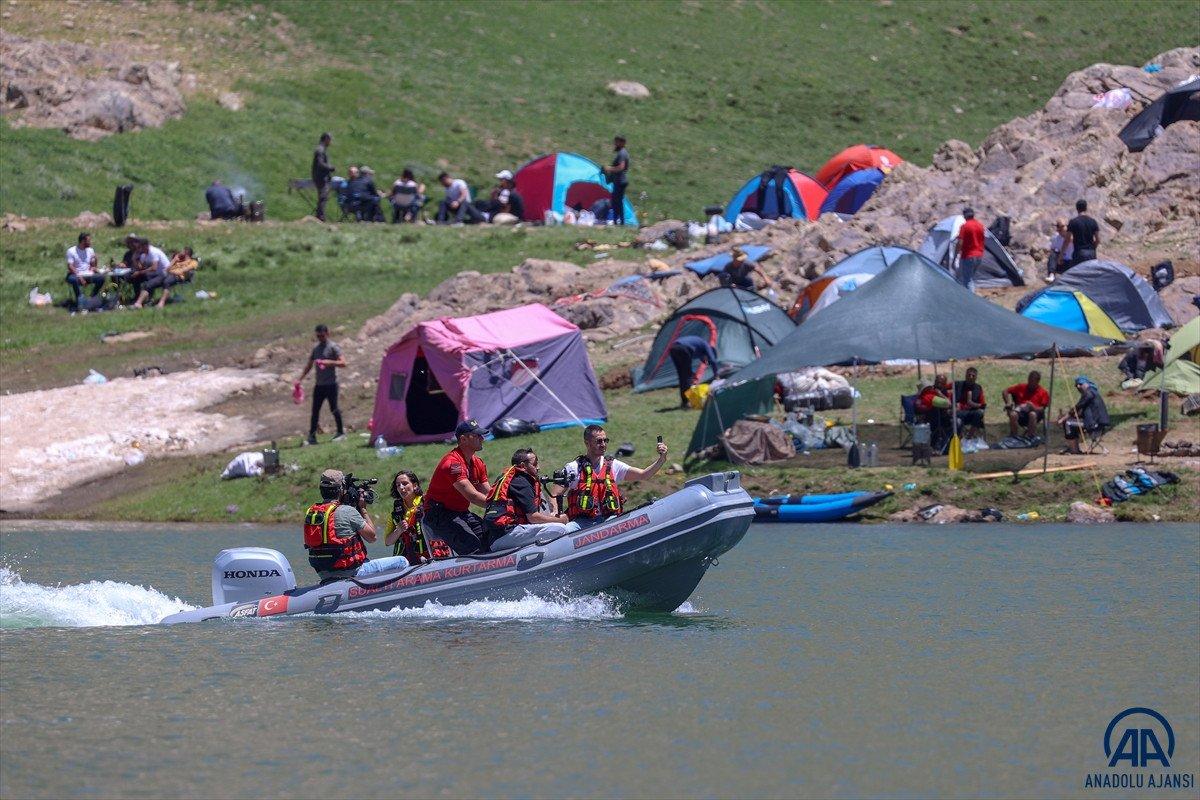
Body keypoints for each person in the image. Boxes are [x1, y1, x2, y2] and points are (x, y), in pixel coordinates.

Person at [303, 469, 409, 581]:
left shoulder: (312, 513)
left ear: (321, 490)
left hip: (324, 573)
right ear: (341, 490)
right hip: (352, 571)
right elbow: (372, 537)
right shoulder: (347, 511)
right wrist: (363, 509)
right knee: (402, 561)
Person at [561, 425, 667, 532]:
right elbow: (555, 494)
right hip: (582, 522)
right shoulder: (573, 468)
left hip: (609, 519)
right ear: (587, 443)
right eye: (599, 441)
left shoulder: (613, 465)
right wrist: (556, 513)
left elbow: (644, 475)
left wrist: (661, 459)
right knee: (566, 530)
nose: (603, 444)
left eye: (605, 440)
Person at [423, 420, 492, 554]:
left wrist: (505, 501)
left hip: (461, 512)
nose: (482, 438)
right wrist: (501, 506)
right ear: (463, 439)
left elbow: (489, 492)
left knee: (490, 537)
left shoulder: (478, 463)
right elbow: (473, 496)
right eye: (477, 436)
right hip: (439, 515)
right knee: (474, 548)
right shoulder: (452, 464)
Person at [483, 448, 569, 551]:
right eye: (535, 464)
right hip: (505, 535)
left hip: (497, 536)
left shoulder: (509, 478)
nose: (538, 468)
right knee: (559, 529)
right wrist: (560, 520)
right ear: (523, 466)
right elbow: (533, 518)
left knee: (553, 524)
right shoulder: (522, 482)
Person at [296, 324, 345, 445]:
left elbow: (344, 362)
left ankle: (340, 432)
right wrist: (300, 379)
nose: (320, 338)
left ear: (327, 333)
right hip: (319, 385)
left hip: (331, 384)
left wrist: (329, 362)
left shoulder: (333, 347)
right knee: (315, 411)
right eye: (318, 336)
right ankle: (312, 436)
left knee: (334, 408)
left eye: (322, 336)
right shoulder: (316, 349)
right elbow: (309, 365)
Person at [383, 470, 442, 563]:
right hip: (409, 560)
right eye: (398, 485)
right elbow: (387, 542)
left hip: (432, 555)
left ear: (415, 485)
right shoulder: (396, 513)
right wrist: (398, 530)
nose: (401, 487)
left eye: (405, 483)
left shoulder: (427, 503)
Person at [1057, 376, 1110, 454]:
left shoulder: (1089, 393)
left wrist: (1063, 419)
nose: (1078, 386)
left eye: (1080, 384)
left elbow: (1078, 406)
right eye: (1076, 385)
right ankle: (1074, 448)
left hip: (1094, 425)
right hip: (1096, 423)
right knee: (1072, 422)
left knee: (1068, 423)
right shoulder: (1093, 393)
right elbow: (1082, 412)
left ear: (1086, 384)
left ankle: (1073, 449)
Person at [668, 335, 719, 408]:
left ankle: (684, 402)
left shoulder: (698, 350)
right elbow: (713, 361)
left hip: (673, 348)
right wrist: (716, 375)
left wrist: (691, 373)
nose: (706, 362)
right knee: (687, 377)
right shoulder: (706, 345)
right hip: (683, 348)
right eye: (707, 360)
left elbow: (701, 360)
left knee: (682, 376)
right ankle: (688, 402)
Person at [1003, 370, 1050, 438]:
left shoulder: (1043, 392)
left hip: (1035, 413)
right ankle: (1014, 436)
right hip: (1021, 412)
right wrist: (1008, 402)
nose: (1030, 383)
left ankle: (1031, 437)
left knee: (1032, 414)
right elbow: (1005, 391)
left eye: (1032, 381)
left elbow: (1042, 409)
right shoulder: (1021, 387)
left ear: (1037, 382)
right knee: (1013, 414)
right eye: (1029, 380)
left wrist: (1034, 407)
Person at [65, 232, 103, 309]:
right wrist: (79, 277)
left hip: (87, 274)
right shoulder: (71, 251)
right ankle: (80, 300)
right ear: (83, 241)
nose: (90, 242)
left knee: (101, 278)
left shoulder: (90, 250)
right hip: (75, 274)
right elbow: (70, 266)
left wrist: (95, 259)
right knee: (74, 280)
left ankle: (92, 297)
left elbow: (93, 265)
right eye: (89, 240)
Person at [130, 238, 172, 309]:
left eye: (140, 247)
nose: (139, 249)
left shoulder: (153, 252)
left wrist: (139, 272)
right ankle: (138, 298)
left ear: (145, 246)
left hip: (163, 273)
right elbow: (141, 267)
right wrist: (134, 259)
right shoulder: (144, 254)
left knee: (148, 284)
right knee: (136, 279)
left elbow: (154, 268)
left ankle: (138, 303)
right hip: (153, 273)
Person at [915, 375, 953, 451]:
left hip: (921, 421)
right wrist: (940, 394)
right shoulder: (930, 397)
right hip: (932, 421)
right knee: (952, 422)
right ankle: (945, 445)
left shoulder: (920, 397)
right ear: (927, 388)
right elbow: (948, 404)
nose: (933, 387)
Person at [952, 207, 986, 291]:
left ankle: (971, 300)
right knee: (970, 278)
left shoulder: (965, 226)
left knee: (967, 281)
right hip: (979, 256)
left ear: (964, 216)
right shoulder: (980, 226)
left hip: (968, 256)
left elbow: (960, 242)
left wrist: (955, 257)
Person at [601, 135, 629, 225]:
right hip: (619, 180)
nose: (615, 144)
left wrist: (609, 168)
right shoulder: (622, 152)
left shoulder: (622, 153)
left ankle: (620, 222)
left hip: (620, 181)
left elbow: (621, 167)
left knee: (617, 202)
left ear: (622, 143)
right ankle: (617, 221)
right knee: (615, 201)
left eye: (617, 142)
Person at [1063, 199, 1099, 268]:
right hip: (1091, 253)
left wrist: (1061, 255)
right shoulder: (1093, 221)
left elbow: (1067, 240)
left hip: (1079, 253)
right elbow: (1098, 240)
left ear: (1077, 209)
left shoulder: (1073, 222)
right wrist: (1092, 248)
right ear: (1086, 208)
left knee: (1078, 275)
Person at [953, 366, 987, 439]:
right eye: (969, 375)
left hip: (971, 413)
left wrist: (972, 403)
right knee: (956, 419)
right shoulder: (957, 384)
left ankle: (969, 436)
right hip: (959, 412)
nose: (971, 377)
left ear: (976, 377)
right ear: (965, 376)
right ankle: (959, 438)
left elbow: (982, 405)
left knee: (980, 413)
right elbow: (944, 388)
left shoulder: (978, 388)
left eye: (973, 376)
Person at [312, 132, 335, 221]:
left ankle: (320, 215)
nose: (330, 142)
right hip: (321, 177)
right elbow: (320, 164)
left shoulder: (321, 149)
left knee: (322, 197)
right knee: (323, 196)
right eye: (330, 140)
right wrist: (330, 168)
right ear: (326, 139)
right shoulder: (320, 150)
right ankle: (320, 217)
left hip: (320, 176)